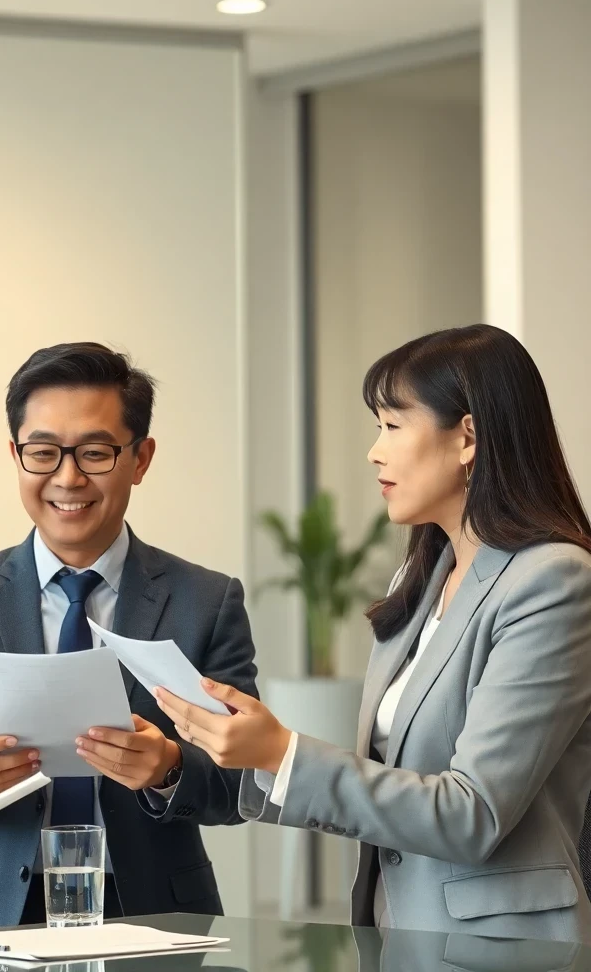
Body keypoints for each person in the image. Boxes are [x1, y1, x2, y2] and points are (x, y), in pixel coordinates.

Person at [156, 324, 591, 942]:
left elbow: (473, 814)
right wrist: (263, 753)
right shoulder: (423, 573)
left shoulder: (553, 582)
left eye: (392, 425)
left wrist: (283, 753)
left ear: (467, 436)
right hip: (397, 934)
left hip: (500, 952)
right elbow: (391, 785)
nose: (374, 451)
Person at [0, 342, 259, 930]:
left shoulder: (206, 601)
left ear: (140, 458)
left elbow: (244, 779)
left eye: (94, 452)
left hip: (153, 909)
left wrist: (167, 768)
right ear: (15, 456)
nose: (67, 477)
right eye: (42, 452)